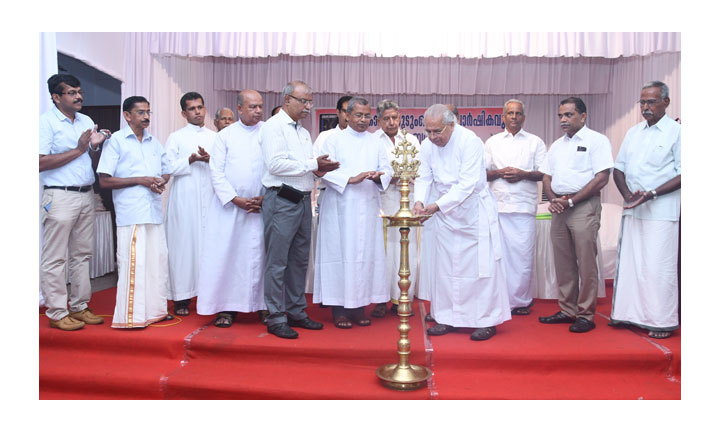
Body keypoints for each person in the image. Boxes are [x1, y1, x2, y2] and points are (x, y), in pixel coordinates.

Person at [413, 104, 510, 341]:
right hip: (445, 215)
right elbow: (423, 177)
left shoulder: (470, 141)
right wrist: (419, 201)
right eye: (428, 131)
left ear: (452, 125)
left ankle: (486, 321)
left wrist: (436, 205)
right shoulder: (427, 146)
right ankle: (448, 318)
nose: (433, 137)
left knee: (480, 269)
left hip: (472, 212)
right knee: (446, 269)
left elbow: (468, 184)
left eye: (437, 131)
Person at [260, 80, 340, 339]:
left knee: (299, 261)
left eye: (310, 101)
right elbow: (275, 165)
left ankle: (296, 310)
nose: (308, 106)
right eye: (304, 101)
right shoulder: (274, 127)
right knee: (277, 261)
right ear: (287, 100)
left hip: (304, 198)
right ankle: (275, 316)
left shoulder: (303, 132)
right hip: (281, 199)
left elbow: (304, 168)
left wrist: (320, 169)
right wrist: (311, 163)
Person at [609, 81, 681, 339]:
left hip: (661, 211)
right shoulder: (633, 132)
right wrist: (628, 196)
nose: (646, 107)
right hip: (634, 209)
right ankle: (628, 314)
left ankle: (661, 320)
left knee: (657, 267)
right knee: (631, 264)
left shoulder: (677, 132)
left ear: (666, 102)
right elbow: (619, 169)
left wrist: (651, 194)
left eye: (651, 101)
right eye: (642, 102)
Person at [313, 97, 392, 328]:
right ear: (346, 115)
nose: (364, 120)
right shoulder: (332, 139)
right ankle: (339, 310)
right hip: (340, 206)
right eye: (358, 115)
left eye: (367, 115)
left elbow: (387, 168)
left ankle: (359, 308)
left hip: (367, 206)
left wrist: (380, 176)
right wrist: (350, 179)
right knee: (340, 255)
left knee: (364, 256)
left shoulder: (376, 141)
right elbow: (321, 170)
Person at [39, 73, 110, 331]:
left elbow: (87, 158)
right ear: (56, 97)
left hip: (86, 194)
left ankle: (79, 307)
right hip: (59, 195)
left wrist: (94, 147)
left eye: (79, 91)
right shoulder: (45, 123)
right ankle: (57, 312)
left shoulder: (86, 120)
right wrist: (79, 149)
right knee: (55, 258)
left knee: (82, 255)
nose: (79, 96)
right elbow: (38, 162)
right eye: (71, 92)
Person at [538, 97, 614, 333]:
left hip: (583, 206)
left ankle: (585, 314)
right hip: (560, 207)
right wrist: (554, 200)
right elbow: (546, 177)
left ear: (583, 116)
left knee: (586, 262)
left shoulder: (597, 141)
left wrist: (571, 201)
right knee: (563, 262)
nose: (563, 120)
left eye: (569, 115)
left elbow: (601, 178)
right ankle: (567, 309)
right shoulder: (557, 145)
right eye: (560, 115)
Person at [97, 96, 171, 329]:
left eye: (148, 112)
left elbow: (166, 171)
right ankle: (132, 317)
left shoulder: (154, 142)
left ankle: (155, 311)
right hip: (132, 213)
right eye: (140, 112)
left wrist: (160, 181)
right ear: (127, 115)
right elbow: (104, 181)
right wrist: (140, 180)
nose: (146, 116)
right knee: (134, 264)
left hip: (153, 211)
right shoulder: (117, 141)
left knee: (156, 263)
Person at [197, 90, 267, 327]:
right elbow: (215, 172)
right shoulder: (225, 136)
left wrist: (266, 198)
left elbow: (275, 167)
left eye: (260, 106)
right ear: (239, 108)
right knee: (228, 256)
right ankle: (226, 308)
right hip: (229, 208)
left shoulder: (269, 132)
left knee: (262, 256)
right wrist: (235, 199)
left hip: (261, 208)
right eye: (252, 107)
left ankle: (264, 306)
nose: (258, 111)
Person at [485, 99, 547, 315]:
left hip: (523, 207)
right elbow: (483, 173)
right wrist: (501, 173)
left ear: (524, 117)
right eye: (510, 113)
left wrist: (522, 174)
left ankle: (521, 301)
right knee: (499, 256)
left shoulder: (535, 142)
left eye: (518, 113)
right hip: (498, 207)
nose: (514, 117)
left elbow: (544, 173)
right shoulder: (492, 143)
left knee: (522, 256)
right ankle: (500, 299)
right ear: (503, 117)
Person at [164, 92, 216, 316]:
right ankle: (182, 298)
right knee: (183, 247)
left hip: (210, 197)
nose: (198, 112)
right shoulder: (176, 137)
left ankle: (211, 296)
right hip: (184, 199)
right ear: (184, 113)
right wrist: (190, 159)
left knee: (209, 247)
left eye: (200, 107)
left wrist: (209, 159)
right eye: (192, 109)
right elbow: (167, 168)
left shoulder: (216, 137)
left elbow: (226, 166)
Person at [371, 99, 421, 318]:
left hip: (407, 203)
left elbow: (421, 169)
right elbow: (370, 172)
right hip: (382, 204)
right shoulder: (372, 141)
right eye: (386, 119)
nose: (391, 122)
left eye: (395, 118)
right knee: (383, 253)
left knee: (407, 251)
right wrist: (388, 178)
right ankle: (381, 299)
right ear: (379, 120)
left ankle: (404, 298)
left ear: (400, 118)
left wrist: (409, 178)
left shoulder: (411, 140)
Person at [305, 95, 352, 295]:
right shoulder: (325, 137)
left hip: (358, 200)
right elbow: (316, 168)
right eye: (347, 112)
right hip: (330, 195)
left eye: (356, 112)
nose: (351, 117)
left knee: (352, 248)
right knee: (330, 247)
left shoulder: (366, 137)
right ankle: (328, 292)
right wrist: (347, 178)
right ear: (338, 113)